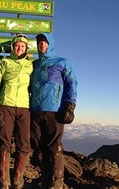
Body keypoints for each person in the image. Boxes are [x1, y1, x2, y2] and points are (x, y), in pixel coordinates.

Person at [30, 33, 77, 189]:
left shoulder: (61, 62)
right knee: (39, 147)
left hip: (54, 111)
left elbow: (72, 83)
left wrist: (70, 105)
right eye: (39, 43)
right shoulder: (34, 64)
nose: (42, 45)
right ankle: (45, 181)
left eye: (44, 43)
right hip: (36, 111)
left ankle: (56, 184)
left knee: (54, 146)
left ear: (50, 44)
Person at [0, 33, 33, 189]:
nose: (19, 48)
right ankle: (4, 179)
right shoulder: (4, 62)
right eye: (17, 45)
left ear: (26, 48)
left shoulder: (30, 65)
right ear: (12, 47)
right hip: (6, 105)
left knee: (24, 144)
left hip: (24, 107)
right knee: (5, 141)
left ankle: (17, 179)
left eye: (22, 46)